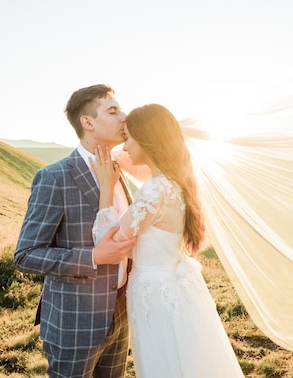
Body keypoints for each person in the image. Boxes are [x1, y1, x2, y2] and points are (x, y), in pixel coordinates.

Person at [90, 103, 245, 377]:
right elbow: (126, 156)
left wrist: (106, 188)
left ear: (148, 139)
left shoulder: (154, 191)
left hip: (155, 294)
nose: (123, 147)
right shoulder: (175, 181)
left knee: (165, 364)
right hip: (172, 287)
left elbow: (107, 240)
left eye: (128, 138)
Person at [14, 84, 136, 378]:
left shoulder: (120, 171)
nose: (124, 116)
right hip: (74, 322)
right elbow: (26, 255)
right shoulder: (54, 177)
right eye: (113, 110)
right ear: (88, 122)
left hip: (120, 316)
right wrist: (93, 256)